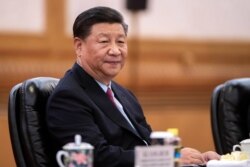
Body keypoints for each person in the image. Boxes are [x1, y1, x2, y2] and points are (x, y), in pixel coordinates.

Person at [46, 6, 220, 167]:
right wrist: (169, 158)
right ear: (79, 46)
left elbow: (147, 142)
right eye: (104, 41)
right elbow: (98, 157)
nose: (115, 50)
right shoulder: (69, 97)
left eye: (121, 42)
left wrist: (195, 158)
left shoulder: (123, 93)